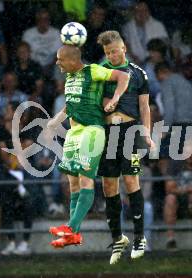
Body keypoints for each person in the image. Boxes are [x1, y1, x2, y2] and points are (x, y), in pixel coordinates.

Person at [47, 45, 130, 248]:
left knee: (86, 181)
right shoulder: (69, 79)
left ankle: (71, 226)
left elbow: (123, 77)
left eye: (60, 59)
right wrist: (55, 121)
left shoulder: (92, 70)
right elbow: (71, 104)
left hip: (92, 131)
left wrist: (116, 98)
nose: (57, 63)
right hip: (74, 134)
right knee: (73, 184)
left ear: (73, 60)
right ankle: (72, 234)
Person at [96, 30, 154, 264]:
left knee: (131, 180)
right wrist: (105, 104)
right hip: (107, 132)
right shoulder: (101, 71)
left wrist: (147, 134)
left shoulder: (139, 73)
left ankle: (139, 237)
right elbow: (94, 98)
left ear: (124, 49)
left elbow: (145, 108)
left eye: (114, 50)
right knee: (109, 185)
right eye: (107, 52)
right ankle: (117, 238)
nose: (111, 55)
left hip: (130, 130)